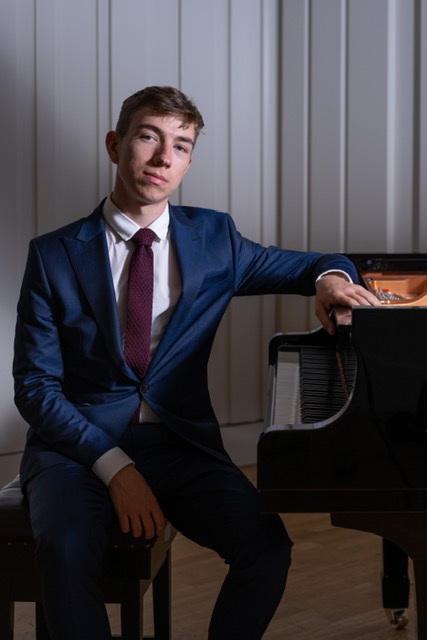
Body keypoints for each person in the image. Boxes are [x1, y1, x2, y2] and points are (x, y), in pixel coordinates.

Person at [13, 85, 380, 640]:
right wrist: (116, 468)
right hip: (75, 448)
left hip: (178, 444)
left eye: (181, 146)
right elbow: (36, 387)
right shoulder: (53, 254)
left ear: (188, 161)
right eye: (148, 137)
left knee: (267, 548)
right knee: (66, 550)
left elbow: (318, 263)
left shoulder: (215, 239)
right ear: (115, 145)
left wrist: (330, 281)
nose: (164, 157)